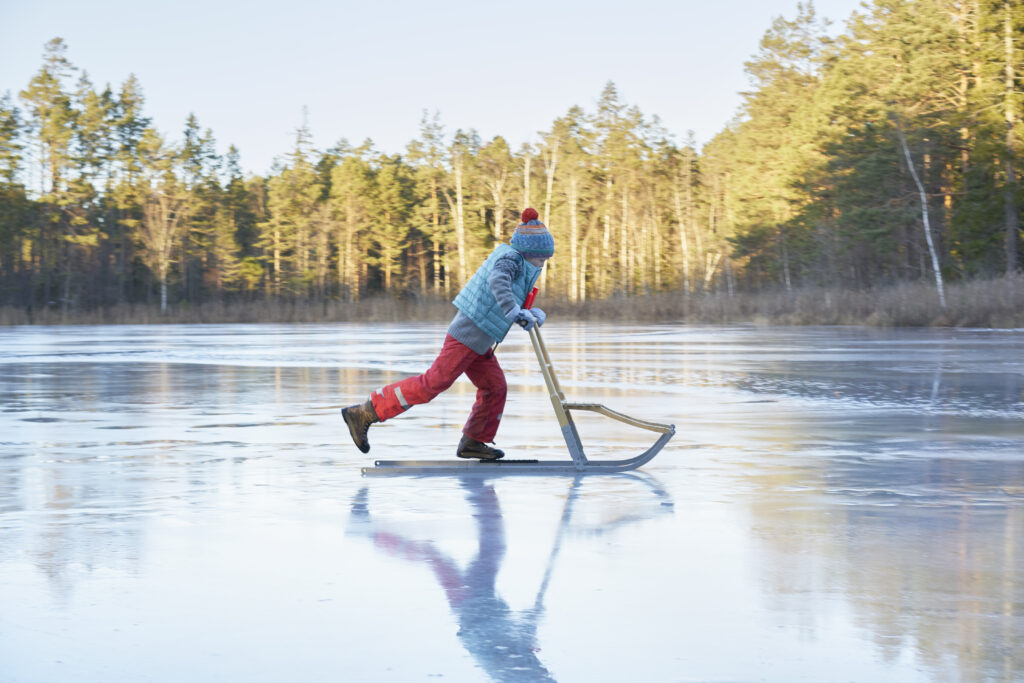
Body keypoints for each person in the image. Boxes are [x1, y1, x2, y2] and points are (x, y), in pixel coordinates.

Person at [341, 207, 554, 460]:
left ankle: (473, 442)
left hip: (480, 341)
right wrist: (514, 311)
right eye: (540, 258)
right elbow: (498, 282)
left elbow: (508, 297)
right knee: (432, 384)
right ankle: (366, 411)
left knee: (495, 387)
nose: (542, 263)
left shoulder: (519, 263)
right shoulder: (511, 259)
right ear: (528, 251)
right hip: (467, 335)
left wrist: (530, 313)